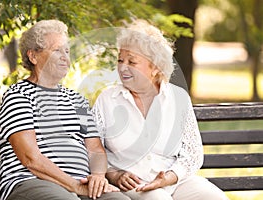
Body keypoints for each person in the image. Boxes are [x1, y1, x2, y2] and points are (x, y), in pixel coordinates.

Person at [92, 20, 229, 200]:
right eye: (120, 60)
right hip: (135, 183)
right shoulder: (107, 99)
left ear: (155, 67)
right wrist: (115, 174)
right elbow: (93, 147)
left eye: (132, 62)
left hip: (175, 181)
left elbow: (193, 153)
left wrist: (169, 177)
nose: (122, 67)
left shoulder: (178, 98)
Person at [0, 19, 130, 200]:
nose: (65, 57)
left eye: (67, 51)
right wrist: (73, 186)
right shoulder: (18, 96)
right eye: (57, 50)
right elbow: (30, 158)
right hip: (31, 182)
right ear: (33, 57)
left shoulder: (77, 101)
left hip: (80, 185)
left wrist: (98, 176)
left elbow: (95, 148)